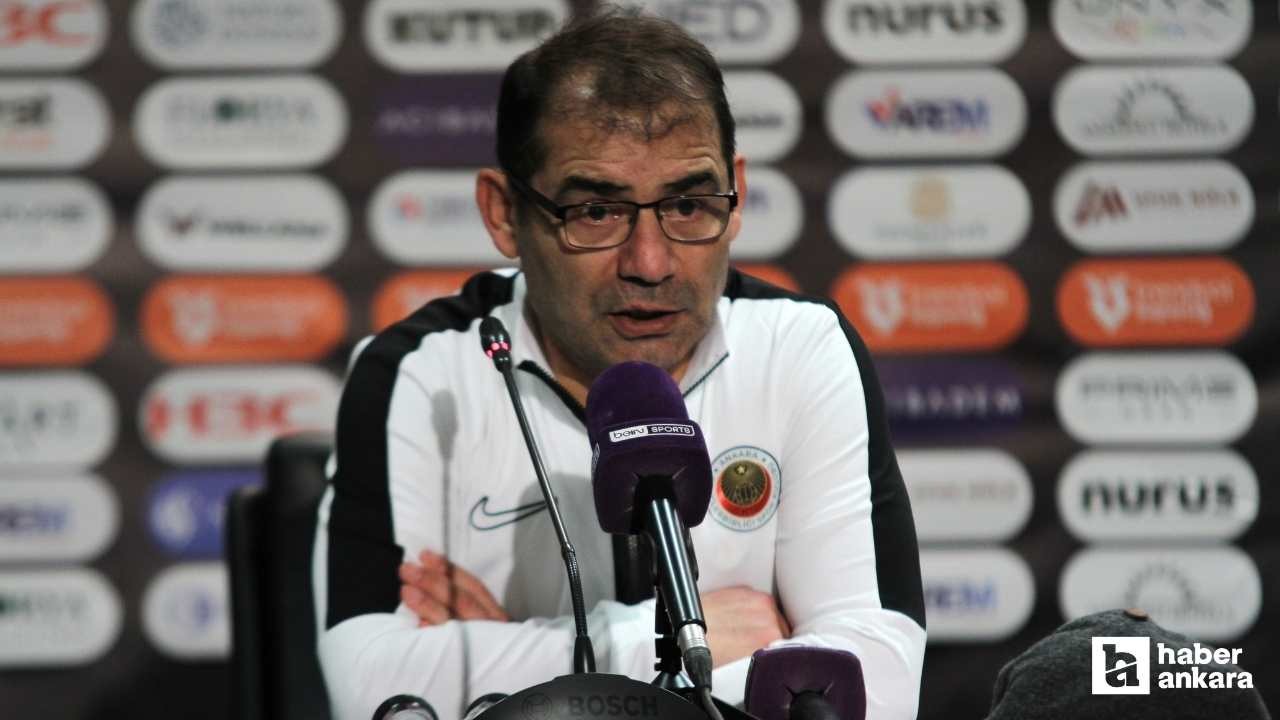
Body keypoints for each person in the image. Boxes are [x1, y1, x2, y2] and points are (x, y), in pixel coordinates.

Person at [313, 7, 925, 720]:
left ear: (735, 198)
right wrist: (663, 643)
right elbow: (373, 688)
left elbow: (873, 683)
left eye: (688, 204)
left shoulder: (802, 348)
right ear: (504, 213)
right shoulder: (420, 375)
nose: (650, 262)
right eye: (596, 213)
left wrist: (521, 671)